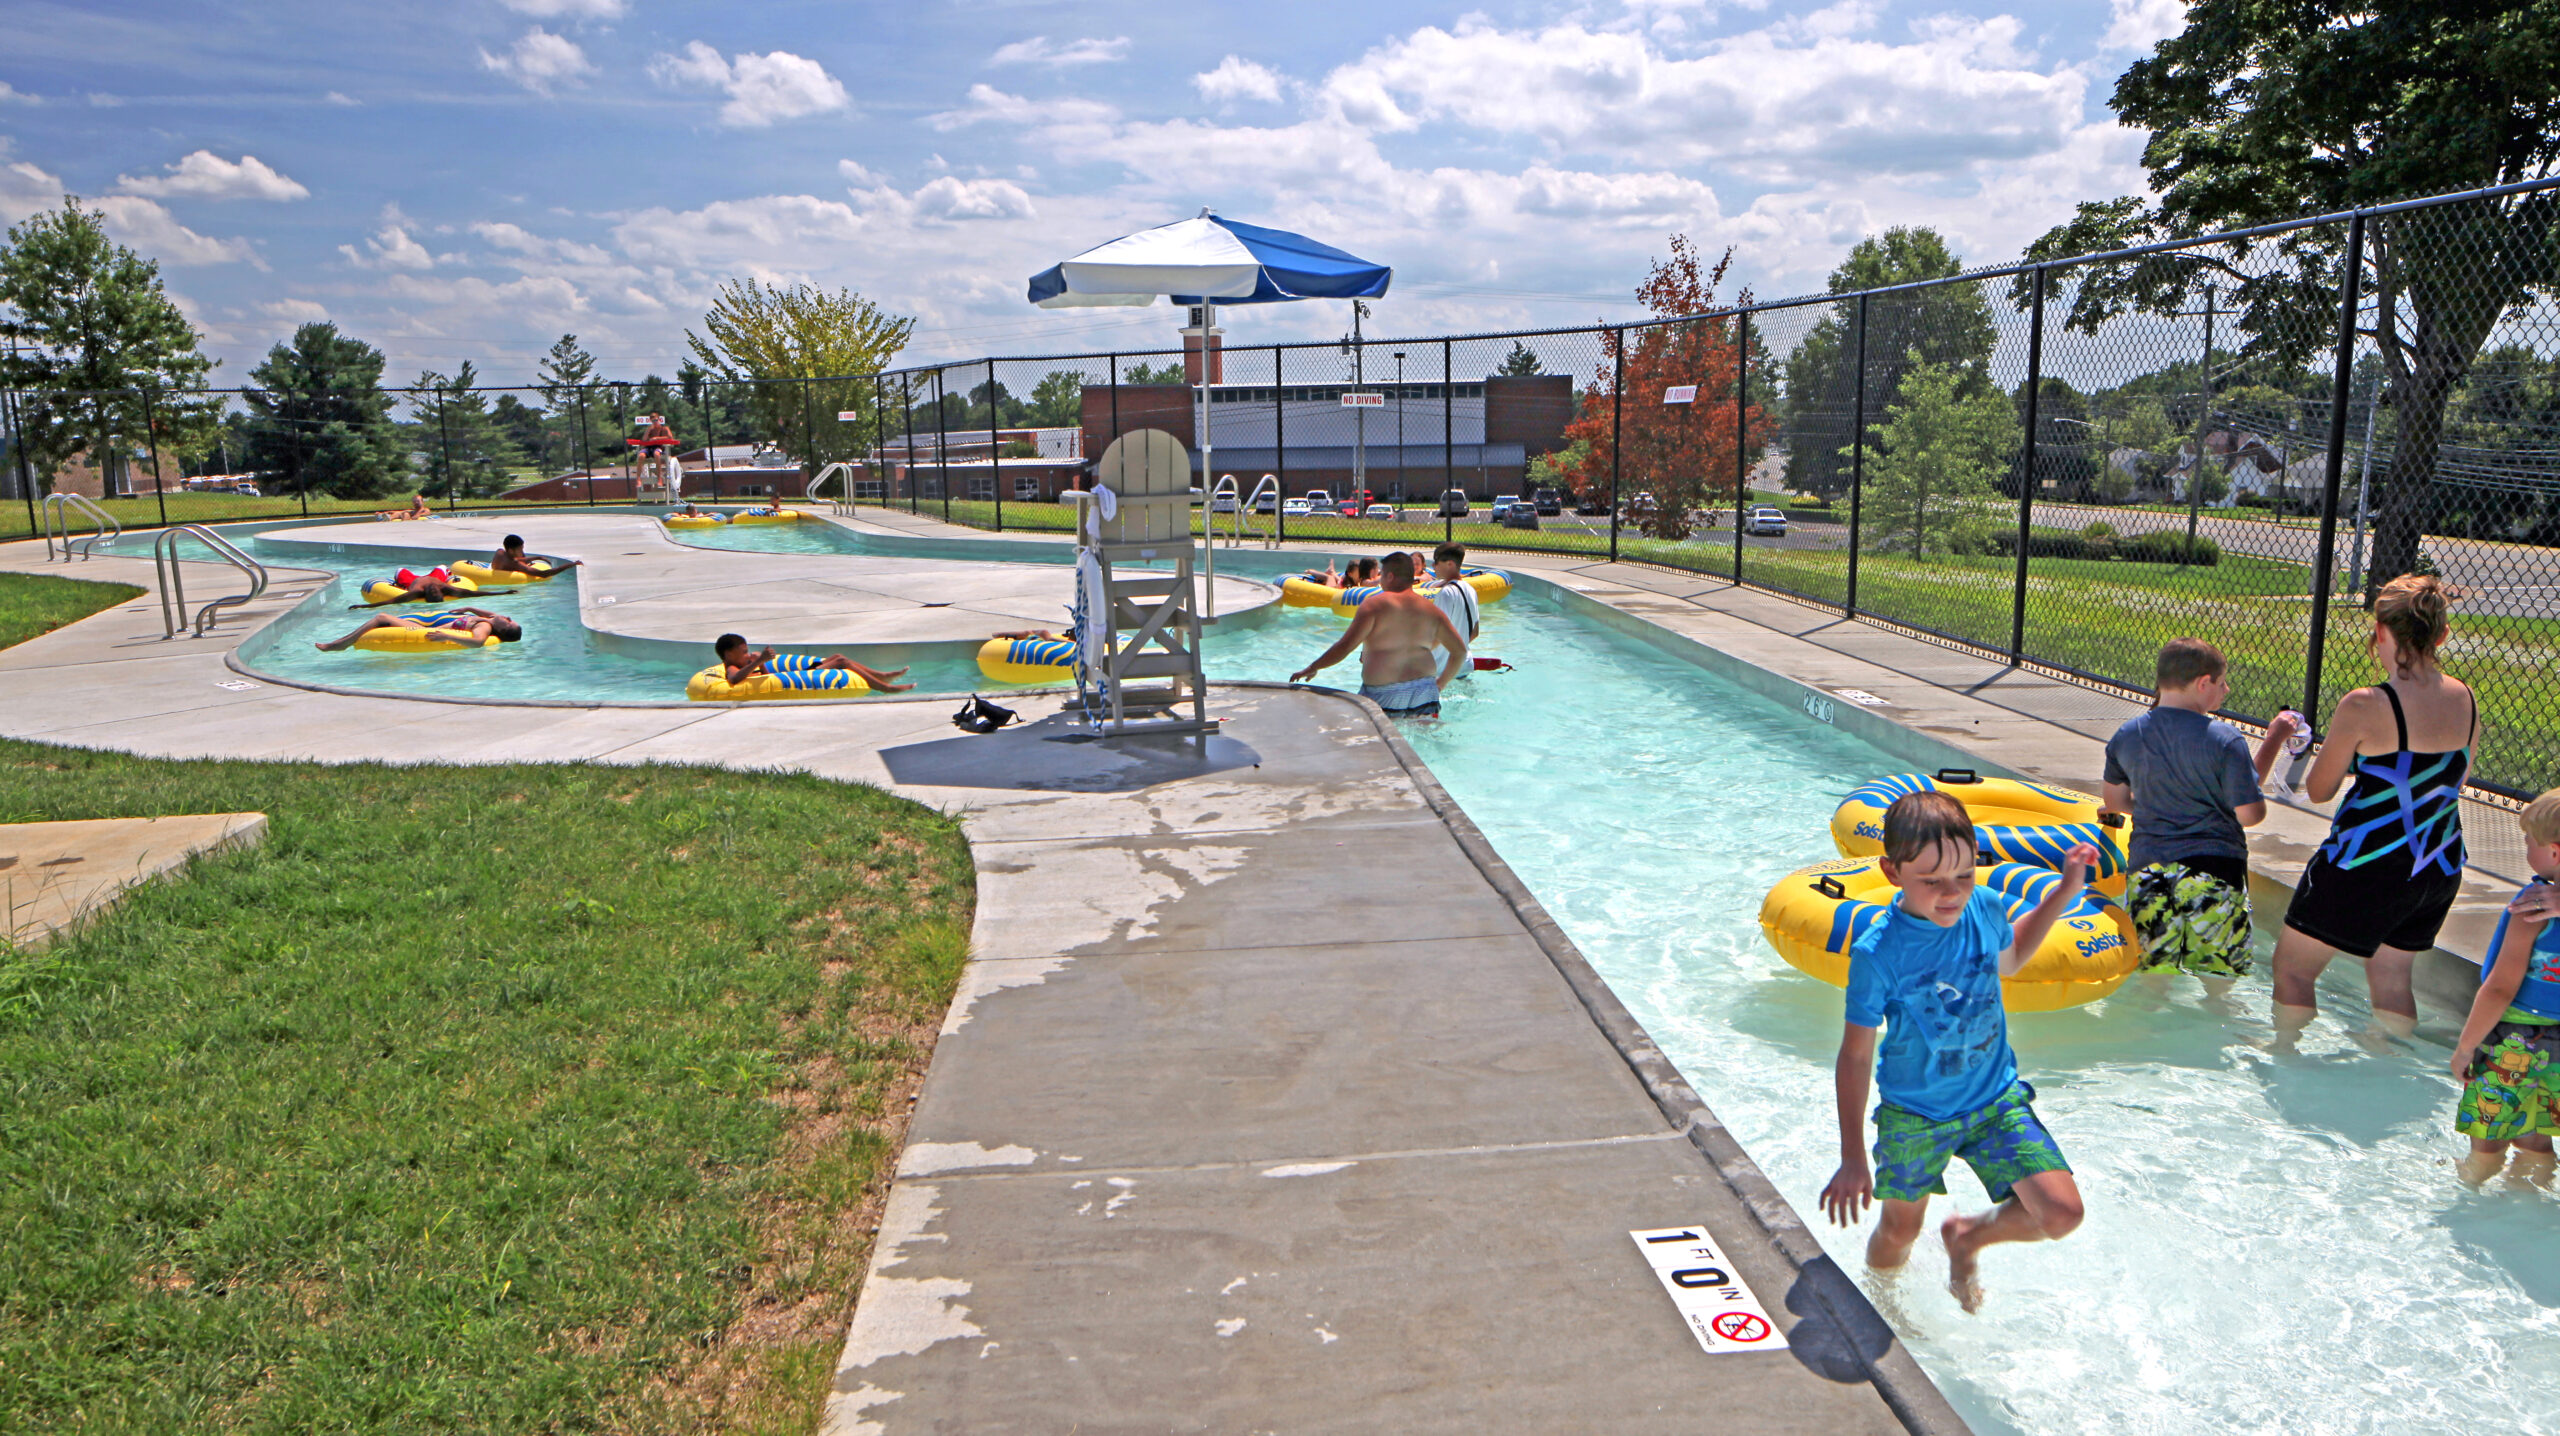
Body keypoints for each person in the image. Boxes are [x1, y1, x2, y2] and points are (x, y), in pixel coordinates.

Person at [1819, 790, 2092, 1311]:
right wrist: (1853, 1156)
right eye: (1933, 880)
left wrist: (2060, 895)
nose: (1952, 892)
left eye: (1964, 875)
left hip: (1994, 1099)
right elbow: (1855, 1056)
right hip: (1916, 1113)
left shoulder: (1983, 907)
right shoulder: (1879, 953)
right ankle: (1882, 1309)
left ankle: (1968, 1237)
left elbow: (2009, 960)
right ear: (1892, 871)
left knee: (2060, 1213)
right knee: (1899, 1230)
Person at [2271, 575, 2474, 1035]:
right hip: (2437, 867)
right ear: (2441, 635)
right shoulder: (2465, 698)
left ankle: (2283, 1057)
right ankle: (2388, 1060)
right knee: (2391, 976)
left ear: (2380, 632)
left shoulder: (2365, 704)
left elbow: (2320, 789)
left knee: (2293, 970)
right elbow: (2455, 778)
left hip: (2367, 864)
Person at [2098, 638, 2301, 982]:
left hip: (2149, 872)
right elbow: (2248, 813)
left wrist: (2152, 806)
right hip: (2214, 872)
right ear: (2203, 683)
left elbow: (2115, 803)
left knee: (2154, 979)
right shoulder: (2224, 739)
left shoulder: (2128, 735)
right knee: (2218, 983)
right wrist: (2276, 737)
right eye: (2222, 683)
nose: (2226, 690)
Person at [2450, 791, 2560, 1183]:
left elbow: (2500, 988)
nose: (2525, 849)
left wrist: (2466, 1047)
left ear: (2554, 853)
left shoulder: (2531, 909)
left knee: (2487, 1138)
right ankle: (2529, 1195)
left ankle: (2470, 1190)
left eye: (2529, 842)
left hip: (2512, 1036)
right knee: (2536, 1138)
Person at [1289, 550, 1468, 717]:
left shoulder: (1374, 605)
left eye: (1382, 575)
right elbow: (1459, 651)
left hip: (1384, 693)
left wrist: (1314, 666)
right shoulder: (1431, 610)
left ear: (1390, 576)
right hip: (1425, 692)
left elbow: (1344, 647)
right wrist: (1440, 684)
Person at [714, 633, 913, 693]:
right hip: (792, 680)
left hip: (787, 677)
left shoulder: (745, 661)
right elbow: (734, 680)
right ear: (729, 654)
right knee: (841, 661)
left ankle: (882, 675)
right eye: (743, 652)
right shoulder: (732, 667)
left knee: (836, 656)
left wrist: (761, 662)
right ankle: (884, 686)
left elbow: (766, 676)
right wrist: (756, 661)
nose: (747, 654)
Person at [316, 607, 520, 650]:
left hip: (421, 630)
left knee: (382, 617)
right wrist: (467, 608)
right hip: (426, 623)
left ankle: (340, 644)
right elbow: (484, 612)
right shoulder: (491, 618)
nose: (508, 617)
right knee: (384, 617)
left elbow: (477, 642)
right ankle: (341, 642)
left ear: (501, 631)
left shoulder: (484, 626)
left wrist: (446, 636)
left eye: (509, 622)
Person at [1429, 541, 1480, 645]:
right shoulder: (1471, 590)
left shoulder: (1446, 593)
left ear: (1450, 564)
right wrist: (1459, 650)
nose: (1433, 565)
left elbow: (1439, 634)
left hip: (1446, 661)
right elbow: (1475, 632)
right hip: (1466, 658)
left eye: (1436, 562)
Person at [492, 534, 582, 578]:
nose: (523, 552)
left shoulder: (500, 552)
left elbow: (514, 558)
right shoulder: (514, 564)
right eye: (520, 549)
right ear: (511, 550)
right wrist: (570, 565)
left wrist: (537, 558)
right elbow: (543, 574)